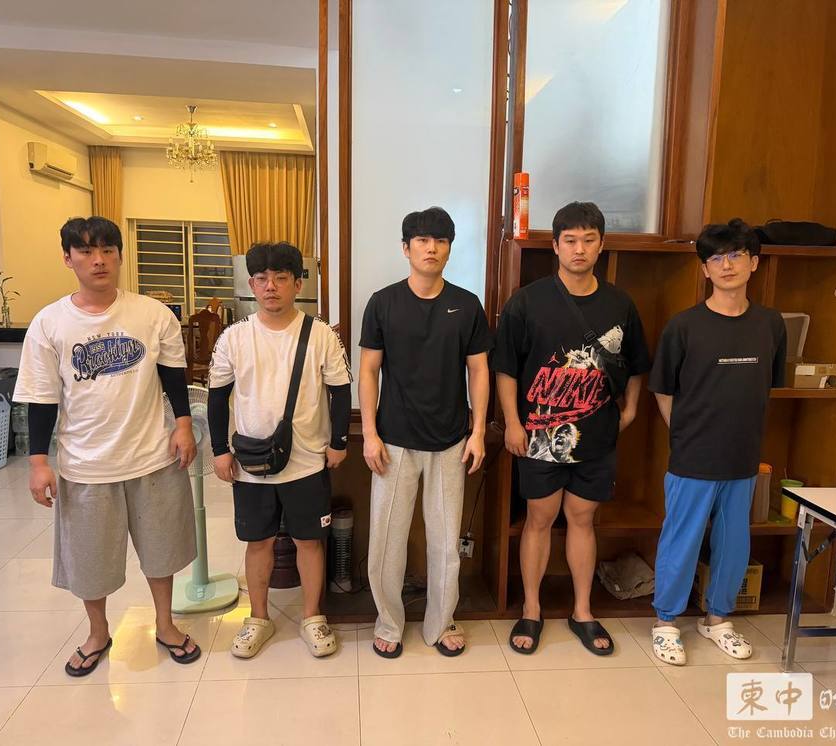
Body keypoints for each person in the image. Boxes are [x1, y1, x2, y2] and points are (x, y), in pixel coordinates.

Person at [14, 216, 200, 677]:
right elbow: (41, 398)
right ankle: (98, 633)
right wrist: (38, 462)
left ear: (119, 255)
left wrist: (183, 424)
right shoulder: (49, 323)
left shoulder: (152, 314)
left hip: (152, 455)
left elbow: (173, 377)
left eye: (107, 250)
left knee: (161, 549)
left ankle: (165, 624)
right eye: (85, 251)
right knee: (89, 560)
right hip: (85, 464)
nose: (98, 260)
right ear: (68, 258)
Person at [492, 201, 649, 656]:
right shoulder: (527, 301)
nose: (579, 249)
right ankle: (532, 608)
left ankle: (582, 610)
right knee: (539, 519)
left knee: (583, 519)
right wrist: (513, 423)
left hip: (598, 434)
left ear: (601, 245)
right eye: (570, 240)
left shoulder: (620, 303)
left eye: (588, 240)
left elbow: (637, 363)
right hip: (539, 435)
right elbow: (506, 368)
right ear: (556, 246)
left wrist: (631, 410)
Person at [649, 218, 785, 665]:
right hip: (693, 455)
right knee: (682, 539)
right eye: (716, 258)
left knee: (734, 542)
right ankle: (666, 622)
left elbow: (769, 385)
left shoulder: (770, 324)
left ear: (754, 263)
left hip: (743, 455)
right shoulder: (684, 326)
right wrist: (686, 433)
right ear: (705, 269)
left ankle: (718, 618)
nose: (726, 265)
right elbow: (663, 391)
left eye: (736, 255)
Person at [207, 242, 352, 659]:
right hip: (251, 464)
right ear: (252, 284)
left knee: (310, 540)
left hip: (307, 461)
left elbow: (340, 391)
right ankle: (258, 618)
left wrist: (338, 442)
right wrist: (219, 450)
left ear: (297, 284)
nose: (270, 286)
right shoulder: (234, 337)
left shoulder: (321, 334)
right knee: (258, 542)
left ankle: (312, 617)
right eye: (262, 279)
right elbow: (217, 397)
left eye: (281, 278)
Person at [360, 206, 491, 658]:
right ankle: (388, 622)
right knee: (386, 542)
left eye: (440, 240)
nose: (431, 247)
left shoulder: (467, 305)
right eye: (421, 240)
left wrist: (478, 432)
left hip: (451, 440)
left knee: (446, 543)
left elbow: (479, 371)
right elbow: (368, 371)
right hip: (393, 442)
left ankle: (441, 621)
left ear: (449, 248)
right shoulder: (383, 302)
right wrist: (369, 434)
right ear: (406, 248)